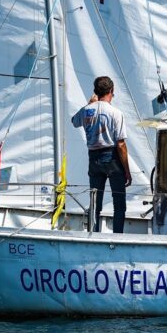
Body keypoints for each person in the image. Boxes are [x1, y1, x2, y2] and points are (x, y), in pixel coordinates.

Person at [72, 76, 132, 233]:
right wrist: (127, 171)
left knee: (95, 204)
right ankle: (117, 237)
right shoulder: (116, 113)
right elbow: (120, 144)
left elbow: (74, 121)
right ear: (111, 91)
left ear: (95, 91)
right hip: (112, 158)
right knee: (119, 205)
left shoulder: (86, 110)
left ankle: (93, 236)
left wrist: (88, 104)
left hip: (94, 159)